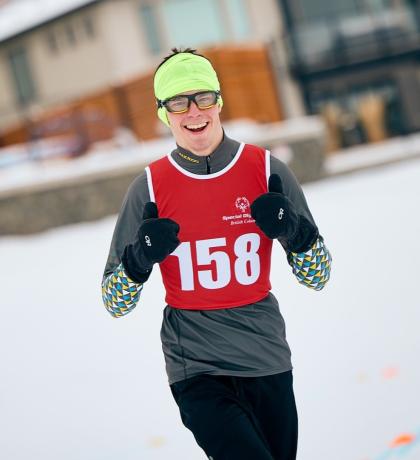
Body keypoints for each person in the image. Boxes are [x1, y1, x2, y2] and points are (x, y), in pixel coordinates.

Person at [102, 48, 332, 460]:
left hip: (266, 357)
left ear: (219, 101)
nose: (193, 112)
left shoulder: (266, 171)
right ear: (163, 113)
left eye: (203, 97)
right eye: (178, 101)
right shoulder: (149, 189)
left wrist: (293, 233)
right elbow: (114, 302)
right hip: (197, 366)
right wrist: (139, 260)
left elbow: (319, 275)